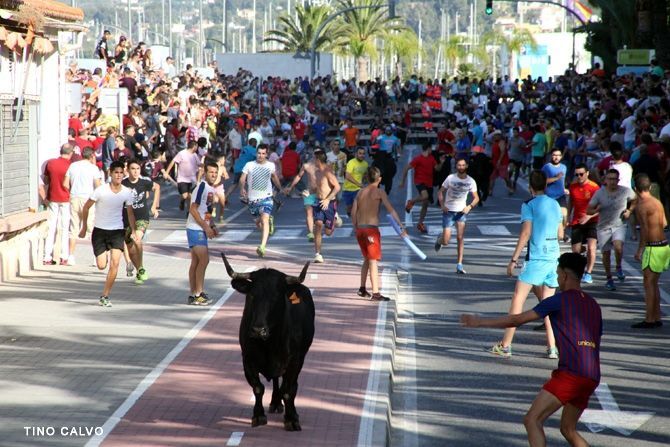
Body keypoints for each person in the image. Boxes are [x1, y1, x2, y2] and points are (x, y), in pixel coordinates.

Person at [461, 253, 602, 447]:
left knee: (532, 420)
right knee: (568, 429)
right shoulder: (593, 305)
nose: (557, 279)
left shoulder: (558, 301)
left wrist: (479, 322)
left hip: (571, 374)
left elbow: (516, 319)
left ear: (565, 275)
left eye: (558, 274)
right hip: (592, 375)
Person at [491, 170, 563, 359]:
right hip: (553, 257)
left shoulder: (529, 205)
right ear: (545, 185)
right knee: (548, 304)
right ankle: (553, 347)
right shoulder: (555, 204)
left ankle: (506, 345)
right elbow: (561, 234)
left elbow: (525, 233)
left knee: (518, 299)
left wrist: (513, 259)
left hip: (536, 258)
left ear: (530, 187)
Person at [78, 161, 138, 308]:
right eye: (116, 172)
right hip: (100, 231)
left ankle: (105, 295)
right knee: (101, 265)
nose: (118, 175)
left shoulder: (127, 192)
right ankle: (101, 256)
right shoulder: (101, 190)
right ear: (110, 173)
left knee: (115, 263)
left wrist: (133, 230)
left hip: (117, 231)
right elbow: (86, 207)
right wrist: (84, 227)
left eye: (121, 172)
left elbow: (130, 213)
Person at [351, 166, 406, 301]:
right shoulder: (380, 192)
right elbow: (391, 210)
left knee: (366, 258)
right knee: (373, 261)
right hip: (371, 230)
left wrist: (356, 226)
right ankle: (375, 293)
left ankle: (362, 288)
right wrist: (401, 226)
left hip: (360, 229)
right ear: (379, 179)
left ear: (367, 178)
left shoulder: (360, 192)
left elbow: (353, 212)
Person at [586, 169, 637, 291]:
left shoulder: (625, 191)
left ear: (618, 180)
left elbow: (635, 199)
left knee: (618, 246)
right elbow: (589, 210)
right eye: (610, 179)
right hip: (603, 227)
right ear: (605, 180)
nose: (612, 181)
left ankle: (618, 267)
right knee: (606, 254)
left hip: (619, 225)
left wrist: (629, 210)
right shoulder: (599, 193)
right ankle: (609, 279)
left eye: (615, 179)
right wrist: (596, 210)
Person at [633, 174, 668, 328]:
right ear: (650, 187)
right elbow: (664, 223)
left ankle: (649, 319)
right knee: (653, 283)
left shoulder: (642, 205)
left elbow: (644, 230)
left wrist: (640, 250)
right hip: (664, 246)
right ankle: (657, 316)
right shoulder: (657, 202)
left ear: (635, 189)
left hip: (653, 247)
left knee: (648, 284)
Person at [435, 158, 480, 274]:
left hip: (461, 212)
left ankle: (459, 264)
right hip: (448, 212)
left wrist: (469, 207)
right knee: (446, 241)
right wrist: (442, 205)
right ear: (456, 166)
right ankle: (440, 240)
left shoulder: (471, 181)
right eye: (459, 165)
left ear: (466, 166)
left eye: (463, 165)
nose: (461, 167)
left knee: (460, 238)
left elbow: (476, 198)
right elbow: (440, 192)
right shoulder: (450, 178)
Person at [185, 160, 221, 305]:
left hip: (200, 228)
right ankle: (199, 294)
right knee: (204, 260)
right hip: (195, 228)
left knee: (196, 262)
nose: (213, 175)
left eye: (216, 172)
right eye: (211, 172)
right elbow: (193, 209)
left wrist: (212, 225)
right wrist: (206, 228)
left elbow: (207, 211)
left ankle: (193, 294)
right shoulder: (202, 187)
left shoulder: (211, 189)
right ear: (205, 173)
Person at [240, 144, 283, 257]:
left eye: (263, 153)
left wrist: (280, 188)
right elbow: (242, 178)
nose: (260, 155)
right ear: (256, 153)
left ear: (266, 154)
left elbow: (274, 177)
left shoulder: (270, 165)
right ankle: (269, 221)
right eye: (259, 153)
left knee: (264, 219)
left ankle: (262, 247)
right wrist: (242, 188)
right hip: (252, 199)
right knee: (258, 223)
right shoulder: (249, 165)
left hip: (266, 197)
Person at [122, 159, 160, 285]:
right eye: (133, 169)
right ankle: (139, 270)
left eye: (138, 169)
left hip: (142, 217)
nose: (136, 171)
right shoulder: (123, 184)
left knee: (137, 239)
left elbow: (157, 187)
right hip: (126, 220)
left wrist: (154, 206)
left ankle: (141, 267)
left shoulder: (144, 182)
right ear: (128, 170)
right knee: (131, 250)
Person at [63, 147, 104, 265]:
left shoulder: (73, 166)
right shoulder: (93, 168)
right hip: (88, 199)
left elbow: (65, 183)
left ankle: (71, 256)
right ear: (92, 156)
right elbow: (98, 186)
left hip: (74, 197)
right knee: (91, 228)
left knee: (73, 227)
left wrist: (72, 190)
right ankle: (96, 257)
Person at [567, 163, 600, 284]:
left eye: (581, 174)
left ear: (587, 173)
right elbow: (571, 201)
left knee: (592, 247)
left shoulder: (594, 187)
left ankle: (588, 273)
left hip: (592, 221)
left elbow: (600, 207)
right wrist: (568, 217)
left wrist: (589, 216)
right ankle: (583, 251)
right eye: (576, 175)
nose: (579, 177)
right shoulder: (573, 186)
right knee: (576, 251)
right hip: (578, 220)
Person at [42, 144, 74, 265]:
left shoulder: (50, 163)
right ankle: (64, 256)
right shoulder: (71, 166)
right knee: (65, 227)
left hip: (52, 197)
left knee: (51, 227)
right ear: (70, 153)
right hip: (66, 198)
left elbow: (46, 180)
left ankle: (47, 256)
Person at [401, 142, 442, 234]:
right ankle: (411, 202)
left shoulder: (432, 158)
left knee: (425, 204)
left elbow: (437, 169)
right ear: (428, 149)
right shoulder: (418, 159)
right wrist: (403, 181)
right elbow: (406, 168)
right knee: (425, 196)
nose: (432, 150)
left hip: (429, 183)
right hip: (419, 181)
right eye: (431, 149)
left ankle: (420, 223)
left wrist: (441, 162)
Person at [311, 151, 341, 263]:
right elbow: (318, 188)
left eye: (314, 159)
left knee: (328, 232)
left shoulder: (327, 171)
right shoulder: (316, 172)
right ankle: (318, 254)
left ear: (318, 160)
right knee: (318, 225)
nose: (313, 161)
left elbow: (337, 187)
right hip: (318, 202)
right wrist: (309, 193)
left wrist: (327, 200)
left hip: (329, 203)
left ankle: (335, 218)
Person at [283, 150, 318, 241]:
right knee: (309, 212)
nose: (317, 156)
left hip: (321, 193)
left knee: (320, 216)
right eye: (315, 154)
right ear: (313, 155)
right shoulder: (306, 166)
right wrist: (290, 187)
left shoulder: (325, 166)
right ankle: (311, 233)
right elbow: (299, 176)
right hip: (309, 193)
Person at [165, 140, 201, 213]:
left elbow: (199, 164)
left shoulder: (194, 155)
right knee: (185, 196)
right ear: (194, 147)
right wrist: (167, 172)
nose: (197, 148)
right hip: (182, 179)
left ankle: (189, 212)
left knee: (190, 196)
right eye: (197, 146)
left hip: (192, 179)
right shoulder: (182, 153)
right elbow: (173, 162)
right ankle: (182, 201)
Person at [542, 149, 569, 233]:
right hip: (549, 196)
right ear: (551, 156)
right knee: (550, 218)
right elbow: (542, 181)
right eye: (554, 155)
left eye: (558, 155)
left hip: (561, 196)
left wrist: (564, 188)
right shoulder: (547, 167)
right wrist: (556, 178)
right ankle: (553, 234)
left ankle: (562, 233)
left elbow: (562, 180)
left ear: (561, 156)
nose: (556, 157)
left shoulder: (564, 167)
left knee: (564, 216)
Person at [342, 147, 369, 216]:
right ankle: (350, 214)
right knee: (349, 207)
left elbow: (365, 175)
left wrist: (366, 183)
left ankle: (357, 218)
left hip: (358, 189)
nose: (362, 155)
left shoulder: (365, 164)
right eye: (360, 153)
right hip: (347, 189)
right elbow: (347, 176)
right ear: (356, 154)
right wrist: (358, 184)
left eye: (363, 154)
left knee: (357, 206)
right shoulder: (351, 162)